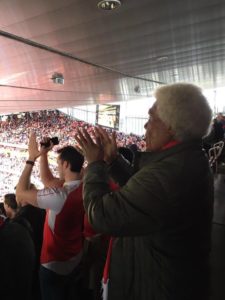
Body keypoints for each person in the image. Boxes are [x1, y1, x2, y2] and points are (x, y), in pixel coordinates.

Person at [75, 83, 213, 300]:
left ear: (170, 125)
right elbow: (146, 198)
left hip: (155, 287)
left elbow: (101, 216)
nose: (145, 128)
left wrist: (94, 164)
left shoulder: (171, 174)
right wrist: (112, 162)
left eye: (151, 119)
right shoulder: (185, 160)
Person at [16, 133, 85, 300]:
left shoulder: (60, 196)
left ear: (66, 164)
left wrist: (31, 158)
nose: (58, 167)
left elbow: (21, 193)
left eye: (59, 163)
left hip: (54, 264)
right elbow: (47, 180)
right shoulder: (85, 186)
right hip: (76, 257)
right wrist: (45, 154)